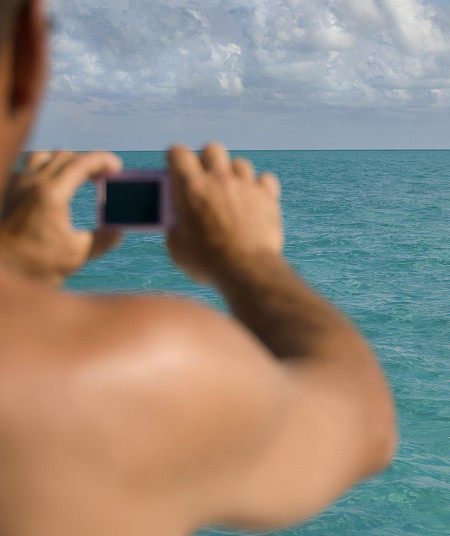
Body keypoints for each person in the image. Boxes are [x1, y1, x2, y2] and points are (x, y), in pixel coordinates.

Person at [0, 0, 397, 534]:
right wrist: (248, 260)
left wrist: (14, 262)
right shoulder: (136, 370)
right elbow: (361, 420)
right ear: (30, 54)